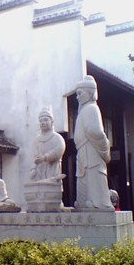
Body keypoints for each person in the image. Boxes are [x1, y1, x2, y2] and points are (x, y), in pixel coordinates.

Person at [73, 75, 113, 210]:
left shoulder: (91, 108)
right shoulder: (85, 109)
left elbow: (95, 131)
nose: (77, 97)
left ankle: (98, 203)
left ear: (90, 92)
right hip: (83, 150)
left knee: (94, 177)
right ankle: (85, 202)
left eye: (80, 93)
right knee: (85, 178)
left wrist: (105, 146)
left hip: (90, 149)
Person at [29, 106, 66, 182]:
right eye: (41, 121)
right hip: (39, 173)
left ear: (52, 121)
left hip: (53, 171)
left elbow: (59, 150)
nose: (43, 123)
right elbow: (34, 157)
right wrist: (33, 168)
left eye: (45, 120)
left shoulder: (57, 138)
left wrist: (45, 157)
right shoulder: (37, 140)